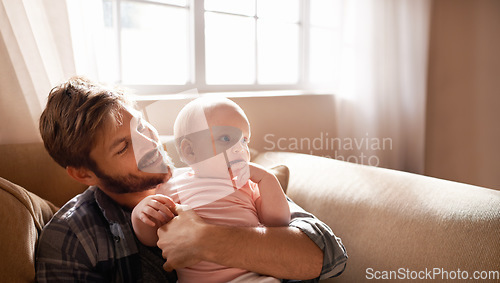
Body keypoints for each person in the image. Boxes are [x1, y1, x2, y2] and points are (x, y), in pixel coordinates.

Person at [35, 76, 348, 282]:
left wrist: (210, 241)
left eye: (141, 126)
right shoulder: (72, 239)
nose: (150, 144)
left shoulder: (215, 173)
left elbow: (326, 255)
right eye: (124, 146)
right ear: (84, 173)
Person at [132, 97, 290, 282]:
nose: (240, 149)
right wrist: (141, 212)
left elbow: (278, 221)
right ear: (190, 151)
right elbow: (150, 239)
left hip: (248, 278)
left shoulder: (247, 184)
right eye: (226, 138)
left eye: (244, 140)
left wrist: (267, 179)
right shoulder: (171, 186)